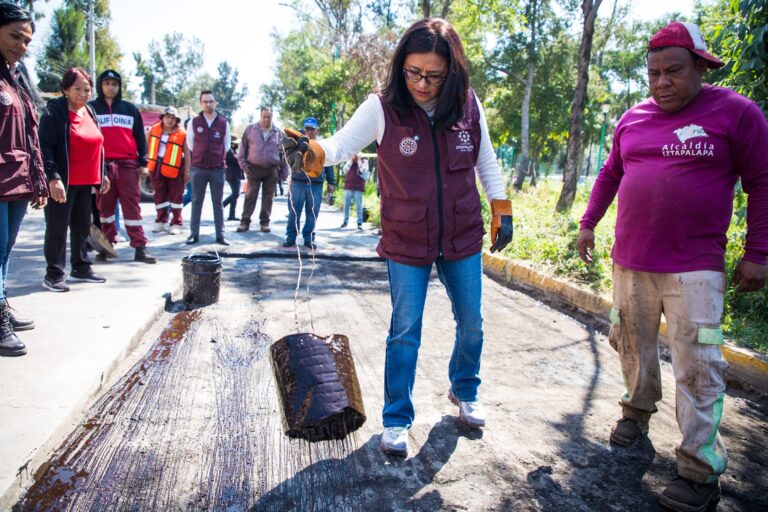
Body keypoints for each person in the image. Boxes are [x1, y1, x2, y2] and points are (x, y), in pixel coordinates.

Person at [280, 18, 513, 457]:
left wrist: (502, 207)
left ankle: (465, 389)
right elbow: (341, 146)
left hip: (462, 233)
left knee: (473, 321)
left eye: (433, 75)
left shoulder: (467, 105)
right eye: (413, 73)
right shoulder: (382, 107)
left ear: (452, 72)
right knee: (405, 329)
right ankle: (397, 417)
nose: (422, 83)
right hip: (407, 237)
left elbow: (487, 161)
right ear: (400, 67)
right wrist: (313, 153)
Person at [577, 22, 768, 512]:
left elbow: (763, 181)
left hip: (695, 268)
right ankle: (636, 412)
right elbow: (610, 173)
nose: (662, 82)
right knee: (632, 344)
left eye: (674, 71)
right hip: (631, 262)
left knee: (698, 366)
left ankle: (699, 472)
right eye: (654, 73)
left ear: (701, 67)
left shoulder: (737, 114)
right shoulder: (633, 118)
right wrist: (588, 223)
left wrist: (759, 252)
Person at [0, 2, 48, 356]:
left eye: (27, 40)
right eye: (15, 36)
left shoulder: (17, 79)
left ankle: (1, 304)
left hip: (17, 180)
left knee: (5, 250)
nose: (22, 45)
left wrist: (39, 181)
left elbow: (31, 135)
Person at [40, 67, 110, 292]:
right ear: (65, 89)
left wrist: (104, 174)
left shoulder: (90, 111)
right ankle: (54, 274)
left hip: (86, 180)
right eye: (77, 89)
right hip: (63, 182)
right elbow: (45, 147)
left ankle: (81, 266)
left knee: (82, 226)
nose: (83, 93)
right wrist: (53, 178)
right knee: (57, 227)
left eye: (87, 89)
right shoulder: (55, 112)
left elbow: (98, 145)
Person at [89, 69, 156, 263]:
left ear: (119, 87)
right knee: (105, 209)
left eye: (115, 84)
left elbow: (140, 139)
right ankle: (106, 246)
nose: (111, 87)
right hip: (103, 167)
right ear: (101, 86)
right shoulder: (92, 109)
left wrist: (143, 163)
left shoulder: (129, 109)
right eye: (107, 83)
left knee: (132, 208)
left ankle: (140, 247)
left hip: (127, 166)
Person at [282, 116, 336, 248]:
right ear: (304, 129)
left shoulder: (322, 145)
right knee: (294, 211)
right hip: (298, 182)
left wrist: (331, 182)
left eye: (312, 129)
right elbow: (289, 159)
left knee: (312, 213)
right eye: (307, 129)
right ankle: (291, 237)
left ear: (317, 130)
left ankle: (309, 239)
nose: (310, 132)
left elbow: (328, 164)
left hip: (316, 184)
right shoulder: (298, 141)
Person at [186, 90, 230, 246]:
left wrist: (217, 157)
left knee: (218, 203)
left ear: (215, 103)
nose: (208, 104)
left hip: (217, 168)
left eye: (211, 101)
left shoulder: (223, 122)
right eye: (205, 101)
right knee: (196, 201)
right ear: (200, 103)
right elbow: (190, 143)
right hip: (198, 168)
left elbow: (227, 145)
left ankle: (221, 234)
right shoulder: (194, 122)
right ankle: (194, 234)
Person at [236, 107, 288, 233]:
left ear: (272, 117)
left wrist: (284, 171)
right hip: (253, 169)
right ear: (260, 116)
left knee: (268, 197)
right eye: (264, 116)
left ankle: (264, 223)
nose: (266, 119)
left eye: (268, 117)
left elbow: (285, 154)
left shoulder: (279, 133)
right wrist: (244, 165)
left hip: (272, 170)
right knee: (250, 196)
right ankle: (245, 222)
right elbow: (242, 150)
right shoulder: (250, 130)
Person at [148, 106, 190, 235]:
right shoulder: (153, 130)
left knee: (176, 196)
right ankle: (161, 221)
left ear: (177, 120)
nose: (170, 120)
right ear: (162, 117)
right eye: (167, 116)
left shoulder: (182, 134)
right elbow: (147, 146)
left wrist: (187, 172)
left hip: (175, 170)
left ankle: (176, 223)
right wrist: (145, 165)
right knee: (159, 195)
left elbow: (187, 154)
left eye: (173, 118)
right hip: (156, 167)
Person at [340, 154, 369, 230]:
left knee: (359, 206)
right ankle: (345, 221)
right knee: (346, 205)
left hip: (358, 187)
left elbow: (362, 170)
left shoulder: (364, 161)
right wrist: (351, 160)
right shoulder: (349, 160)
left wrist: (359, 160)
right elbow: (345, 170)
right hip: (348, 186)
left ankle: (359, 223)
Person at [222, 135, 242, 221]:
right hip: (232, 175)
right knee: (235, 193)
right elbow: (237, 161)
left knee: (235, 194)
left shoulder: (233, 151)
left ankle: (231, 215)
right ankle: (222, 205)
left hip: (235, 175)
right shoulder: (229, 151)